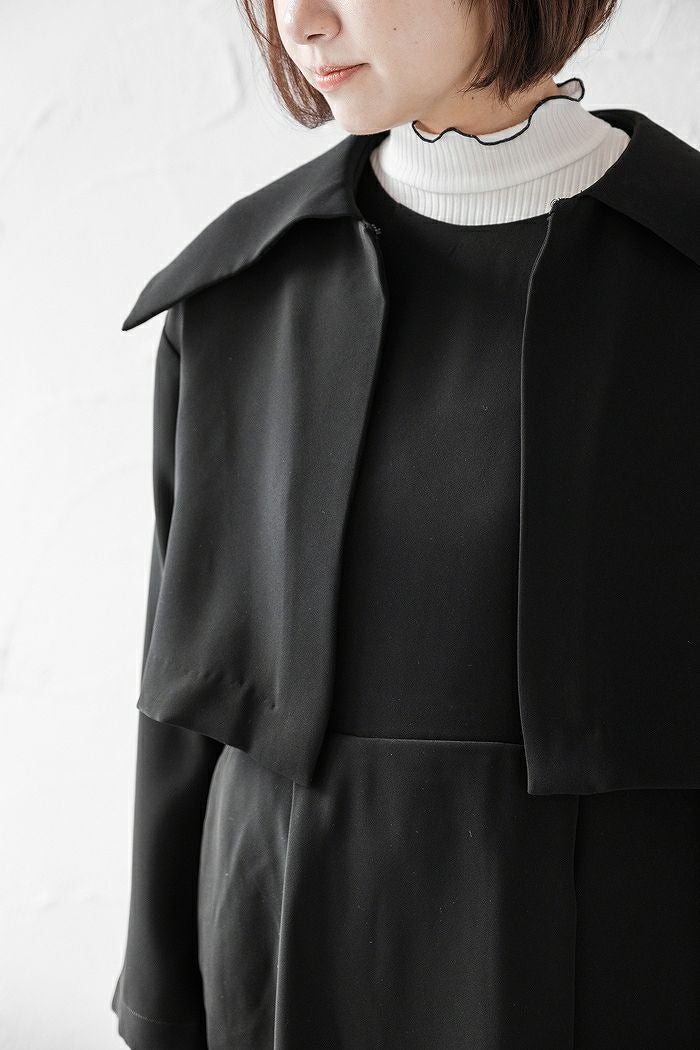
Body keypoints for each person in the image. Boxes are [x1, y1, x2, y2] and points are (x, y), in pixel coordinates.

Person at [111, 1, 700, 1047]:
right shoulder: (238, 291)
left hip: (622, 951)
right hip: (276, 936)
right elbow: (186, 691)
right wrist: (159, 999)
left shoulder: (683, 275)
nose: (301, 21)